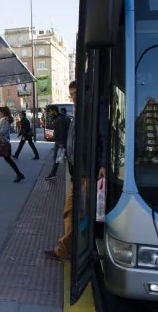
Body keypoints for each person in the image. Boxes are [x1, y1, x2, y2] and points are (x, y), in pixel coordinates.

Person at [45, 81, 108, 261]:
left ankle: (69, 250)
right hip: (78, 171)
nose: (73, 98)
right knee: (70, 211)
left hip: (87, 171)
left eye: (76, 94)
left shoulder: (95, 108)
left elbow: (104, 137)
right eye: (71, 95)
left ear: (87, 92)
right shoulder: (79, 111)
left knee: (76, 212)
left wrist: (103, 164)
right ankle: (68, 248)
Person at [0, 107, 25, 183]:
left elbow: (3, 132)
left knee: (7, 159)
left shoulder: (5, 120)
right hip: (1, 142)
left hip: (3, 143)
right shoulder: (4, 120)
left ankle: (19, 174)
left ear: (3, 113)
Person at [45, 105, 67, 180]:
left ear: (54, 110)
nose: (49, 113)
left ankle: (53, 173)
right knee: (56, 158)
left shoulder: (60, 119)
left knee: (57, 158)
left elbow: (62, 132)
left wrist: (61, 143)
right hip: (58, 141)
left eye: (50, 111)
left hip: (59, 142)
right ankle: (53, 173)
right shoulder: (57, 118)